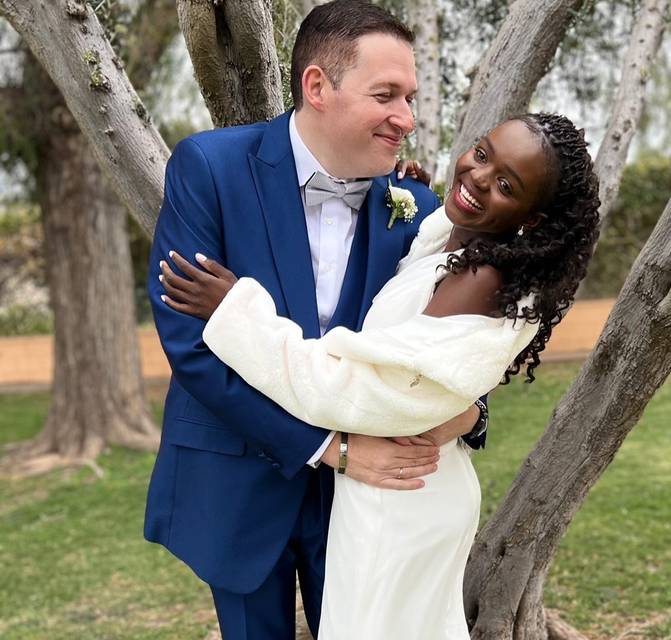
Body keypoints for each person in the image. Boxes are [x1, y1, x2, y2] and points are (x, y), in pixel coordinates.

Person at [159, 113, 602, 639]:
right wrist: (417, 203)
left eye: (506, 185)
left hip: (401, 495)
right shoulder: (448, 239)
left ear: (531, 218)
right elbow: (425, 351)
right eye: (482, 154)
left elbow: (350, 386)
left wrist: (236, 311)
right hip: (368, 489)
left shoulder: (483, 278)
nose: (479, 177)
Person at [143, 3, 485, 638]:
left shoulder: (417, 208)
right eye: (386, 95)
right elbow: (190, 343)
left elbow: (445, 342)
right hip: (237, 473)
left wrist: (470, 413)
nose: (406, 119)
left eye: (409, 98)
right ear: (318, 86)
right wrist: (332, 449)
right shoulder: (209, 169)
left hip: (369, 505)